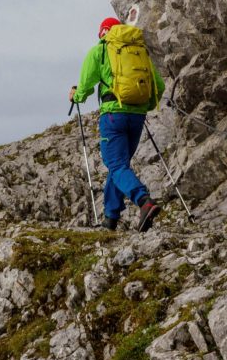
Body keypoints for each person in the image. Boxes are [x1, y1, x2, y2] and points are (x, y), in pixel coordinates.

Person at [69, 17, 166, 232]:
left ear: (103, 32)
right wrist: (142, 106)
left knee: (116, 164)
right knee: (120, 165)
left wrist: (76, 96)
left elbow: (85, 86)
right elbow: (158, 85)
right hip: (137, 115)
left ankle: (144, 201)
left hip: (113, 115)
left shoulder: (101, 50)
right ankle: (110, 219)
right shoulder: (139, 51)